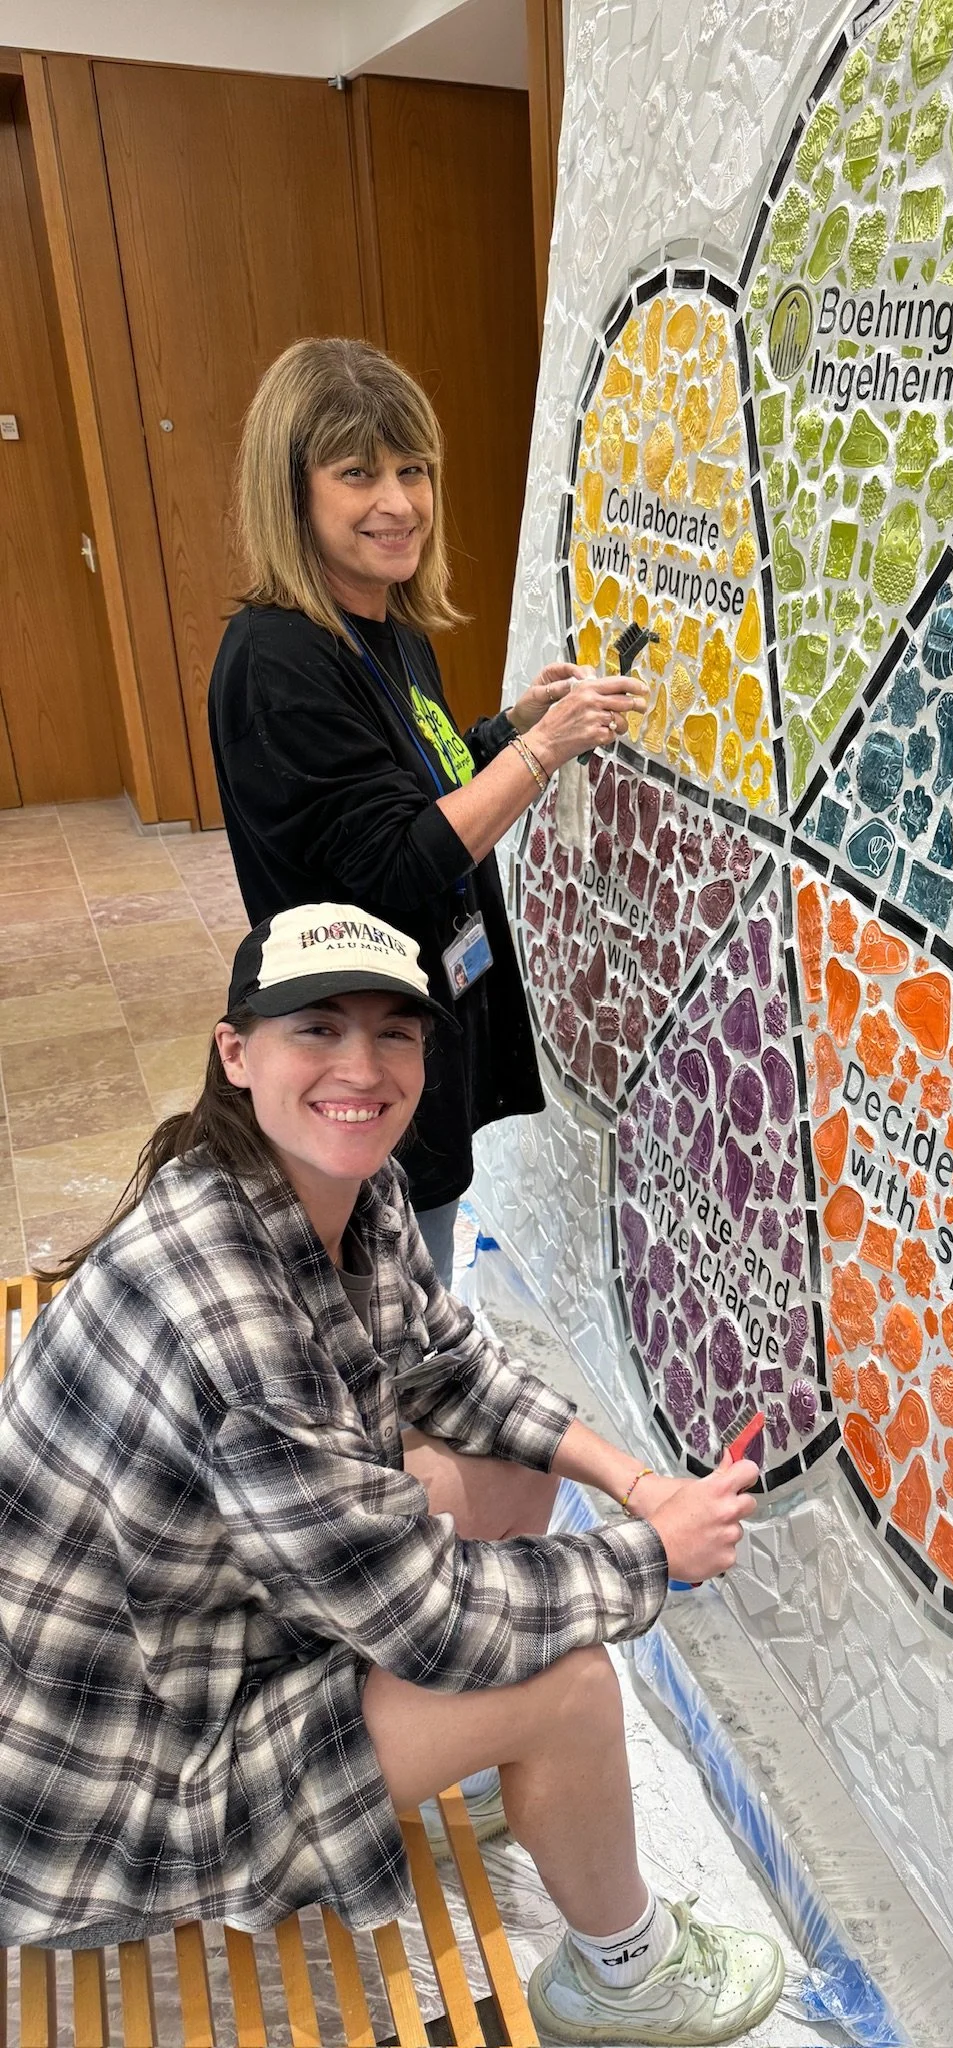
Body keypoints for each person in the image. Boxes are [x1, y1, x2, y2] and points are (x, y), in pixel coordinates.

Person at [0, 906, 783, 2046]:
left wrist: (633, 1478)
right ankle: (627, 1973)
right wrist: (654, 1552)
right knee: (567, 1684)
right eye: (316, 1029)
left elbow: (451, 1361)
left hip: (197, 1630)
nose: (359, 1070)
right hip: (110, 1788)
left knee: (510, 1484)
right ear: (237, 1051)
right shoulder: (225, 1312)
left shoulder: (328, 1184)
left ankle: (469, 1764)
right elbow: (431, 1614)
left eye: (393, 1033)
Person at [208, 337, 645, 1291]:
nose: (398, 503)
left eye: (413, 470)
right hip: (350, 1051)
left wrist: (503, 730)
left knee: (423, 1260)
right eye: (357, 472)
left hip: (415, 1026)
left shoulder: (386, 629)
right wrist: (545, 751)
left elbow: (413, 788)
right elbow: (398, 863)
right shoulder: (280, 659)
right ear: (294, 490)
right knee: (391, 1305)